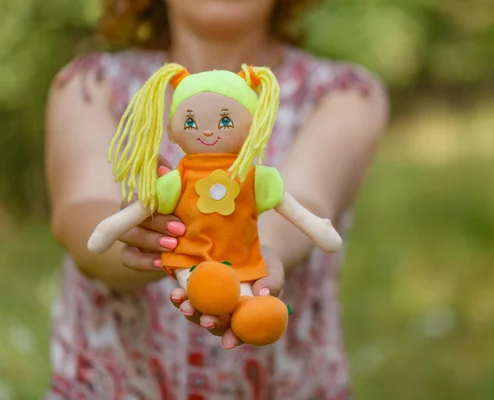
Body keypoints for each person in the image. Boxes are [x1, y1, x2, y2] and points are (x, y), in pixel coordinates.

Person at [44, 0, 389, 398]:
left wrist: (254, 255)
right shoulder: (89, 85)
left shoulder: (345, 93)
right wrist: (148, 238)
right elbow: (79, 213)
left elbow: (307, 196)